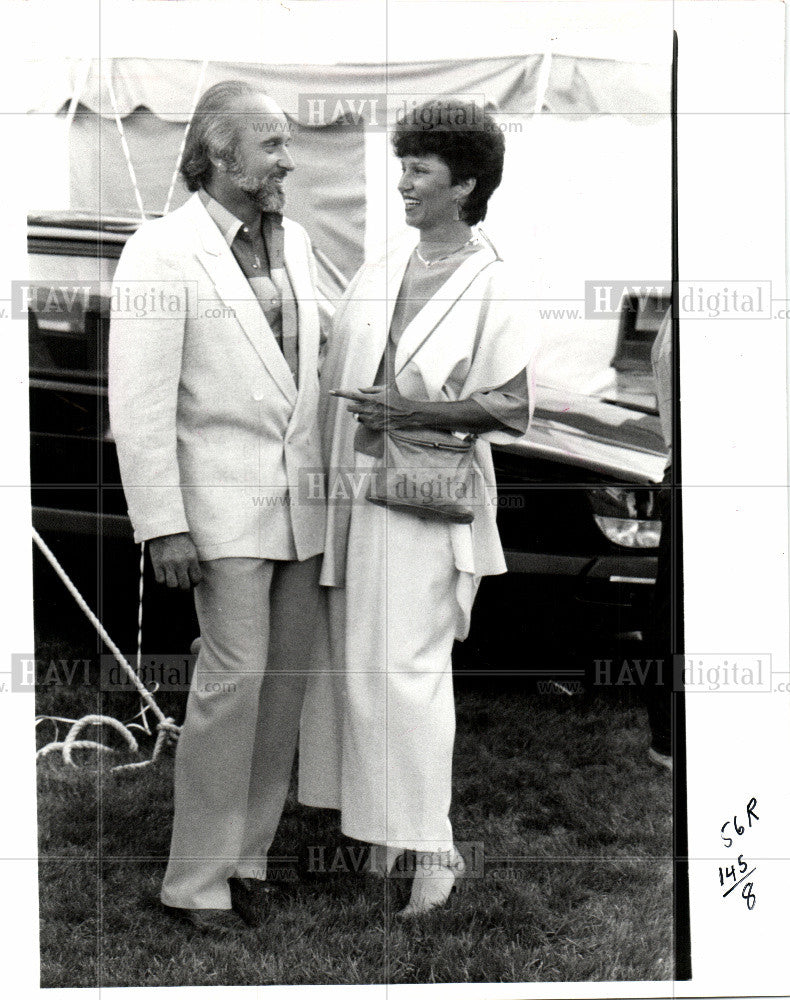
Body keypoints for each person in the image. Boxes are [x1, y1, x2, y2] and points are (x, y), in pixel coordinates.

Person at [298, 100, 539, 917]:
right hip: (363, 497)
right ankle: (385, 830)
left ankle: (436, 850)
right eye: (403, 166)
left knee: (410, 677)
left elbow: (510, 407)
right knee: (362, 669)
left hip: (431, 502)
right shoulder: (381, 267)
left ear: (466, 183)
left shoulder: (496, 279)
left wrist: (410, 413)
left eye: (420, 171)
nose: (404, 182)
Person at [109, 81, 326, 932]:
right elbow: (140, 401)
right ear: (220, 156)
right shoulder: (162, 251)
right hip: (218, 511)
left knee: (285, 690)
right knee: (231, 686)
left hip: (305, 509)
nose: (288, 160)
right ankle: (194, 884)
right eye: (272, 144)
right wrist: (162, 523)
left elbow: (320, 353)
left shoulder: (299, 242)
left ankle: (248, 857)